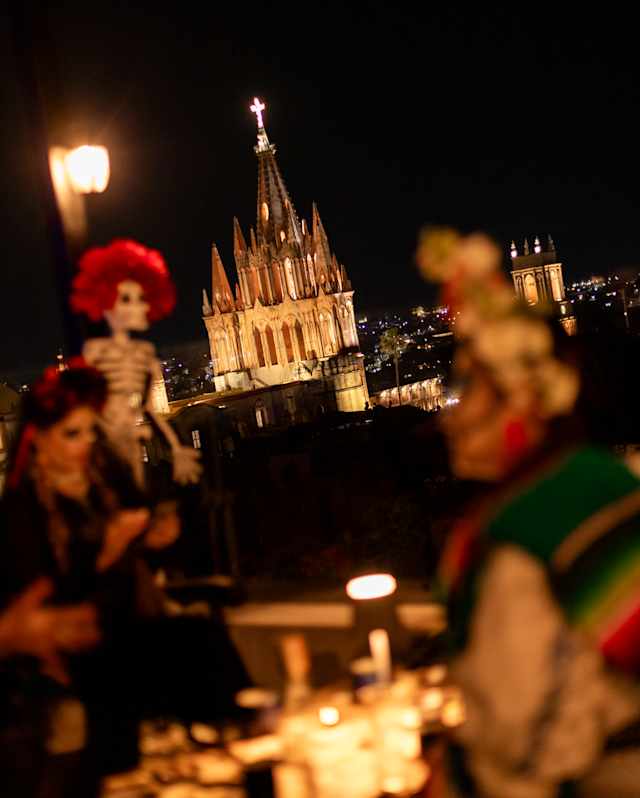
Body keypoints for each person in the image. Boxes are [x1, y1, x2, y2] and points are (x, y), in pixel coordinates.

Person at [418, 229, 640, 797]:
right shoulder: (603, 480)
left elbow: (524, 748)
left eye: (465, 389)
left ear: (519, 399)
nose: (449, 415)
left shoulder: (520, 532)